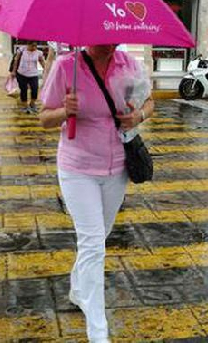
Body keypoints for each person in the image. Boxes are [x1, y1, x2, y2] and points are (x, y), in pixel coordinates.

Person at [39, 44, 154, 343]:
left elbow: (150, 102)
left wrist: (138, 115)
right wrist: (66, 111)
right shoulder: (67, 66)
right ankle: (98, 333)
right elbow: (44, 118)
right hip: (78, 169)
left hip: (118, 168)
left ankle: (78, 289)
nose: (111, 41)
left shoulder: (127, 63)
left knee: (98, 238)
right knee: (93, 245)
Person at [11, 40, 45, 113]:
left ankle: (32, 104)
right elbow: (16, 60)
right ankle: (25, 106)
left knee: (35, 89)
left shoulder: (38, 53)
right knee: (24, 90)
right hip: (21, 74)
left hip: (33, 74)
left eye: (35, 46)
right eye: (33, 46)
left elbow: (42, 61)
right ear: (28, 45)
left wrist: (46, 69)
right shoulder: (22, 50)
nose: (34, 47)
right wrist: (13, 71)